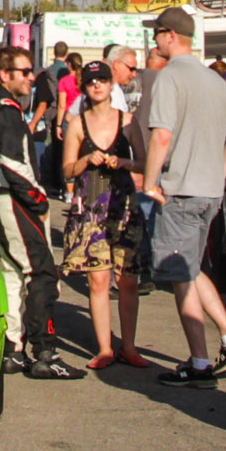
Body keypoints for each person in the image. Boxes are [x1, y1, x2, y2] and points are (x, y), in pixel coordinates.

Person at [140, 8, 226, 389]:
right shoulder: (214, 79)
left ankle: (200, 362)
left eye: (157, 33)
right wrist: (218, 173)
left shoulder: (170, 77)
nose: (154, 40)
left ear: (171, 35)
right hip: (209, 192)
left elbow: (161, 136)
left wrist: (150, 183)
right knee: (191, 266)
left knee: (180, 276)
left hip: (182, 190)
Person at [0, 49, 81, 380]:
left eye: (30, 71)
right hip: (12, 198)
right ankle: (45, 351)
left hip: (1, 197)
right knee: (41, 273)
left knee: (13, 272)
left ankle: (13, 347)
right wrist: (38, 200)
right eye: (24, 72)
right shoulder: (4, 109)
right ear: (4, 74)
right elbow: (13, 164)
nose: (31, 77)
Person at [61, 62, 149, 370]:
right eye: (91, 82)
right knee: (98, 280)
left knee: (127, 280)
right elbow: (66, 170)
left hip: (124, 207)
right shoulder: (77, 124)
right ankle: (104, 349)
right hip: (91, 208)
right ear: (84, 88)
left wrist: (124, 162)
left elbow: (145, 162)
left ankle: (129, 347)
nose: (97, 85)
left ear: (112, 84)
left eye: (102, 80)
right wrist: (86, 159)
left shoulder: (128, 121)